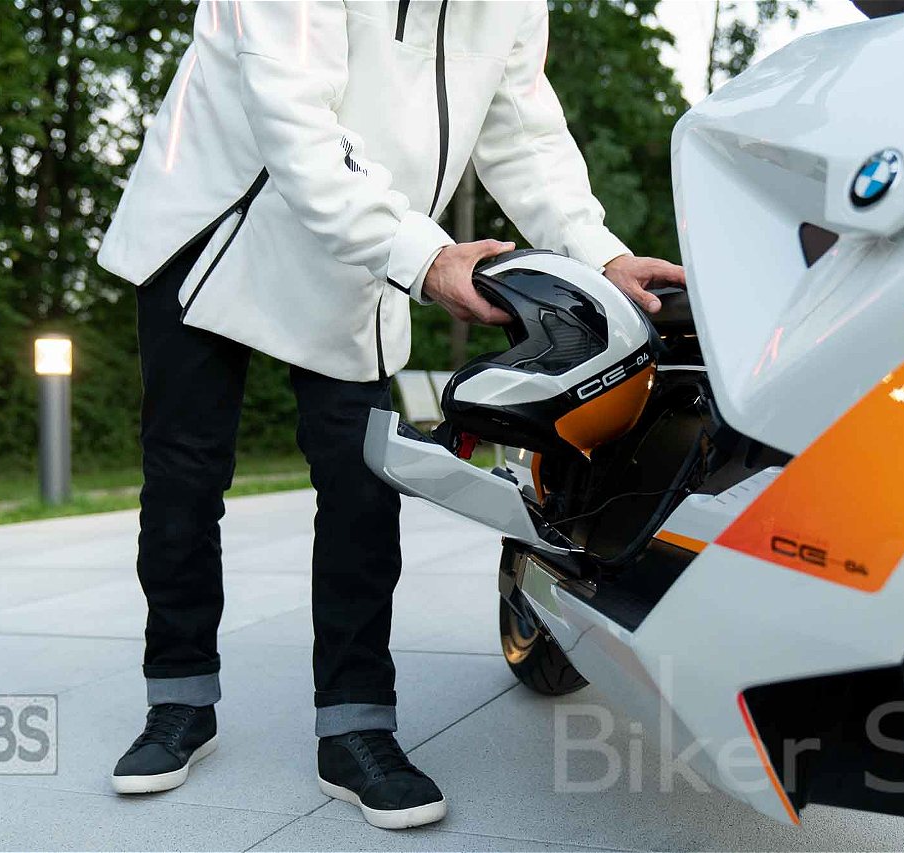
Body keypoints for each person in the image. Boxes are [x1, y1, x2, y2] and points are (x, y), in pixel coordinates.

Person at [97, 0, 684, 830]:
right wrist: (428, 255)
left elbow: (525, 134)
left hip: (358, 247)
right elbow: (293, 120)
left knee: (363, 482)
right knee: (184, 478)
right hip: (217, 222)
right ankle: (178, 701)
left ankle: (356, 725)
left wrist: (602, 254)